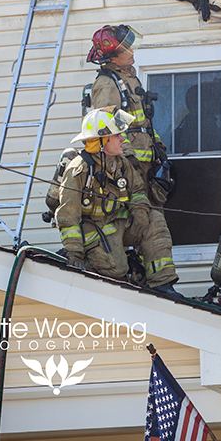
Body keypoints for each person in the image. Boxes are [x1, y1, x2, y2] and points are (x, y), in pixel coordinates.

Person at [55, 106, 181, 298]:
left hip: (118, 223)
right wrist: (74, 254)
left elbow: (137, 190)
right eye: (117, 136)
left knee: (154, 219)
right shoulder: (79, 170)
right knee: (116, 269)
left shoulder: (121, 163)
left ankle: (162, 284)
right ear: (101, 141)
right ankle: (86, 260)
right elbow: (68, 216)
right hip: (93, 231)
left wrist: (140, 211)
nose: (123, 139)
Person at [87, 24, 172, 206]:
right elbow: (110, 126)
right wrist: (128, 159)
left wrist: (158, 146)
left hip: (147, 163)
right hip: (132, 166)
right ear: (113, 56)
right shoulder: (107, 84)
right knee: (139, 213)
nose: (132, 51)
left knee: (154, 214)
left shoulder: (129, 79)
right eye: (126, 48)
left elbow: (142, 123)